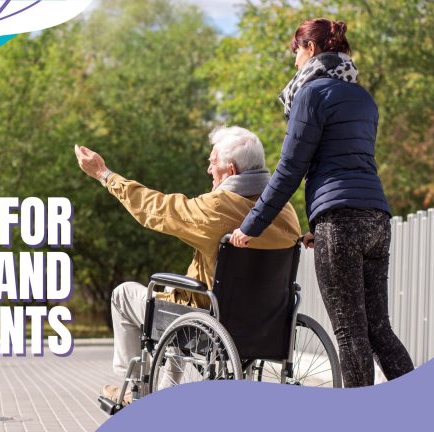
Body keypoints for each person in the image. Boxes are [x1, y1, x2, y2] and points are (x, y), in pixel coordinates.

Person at [229, 18, 415, 387]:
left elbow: (289, 170)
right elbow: (348, 163)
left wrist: (249, 226)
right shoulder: (363, 97)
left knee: (349, 332)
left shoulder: (311, 94)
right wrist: (319, 226)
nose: (294, 61)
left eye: (296, 51)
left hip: (341, 223)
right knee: (379, 330)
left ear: (310, 49)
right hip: (377, 218)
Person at [74, 126, 301, 404]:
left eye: (212, 161)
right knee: (183, 308)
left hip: (212, 323)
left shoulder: (215, 208)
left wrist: (104, 175)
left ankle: (132, 390)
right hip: (268, 324)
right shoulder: (286, 211)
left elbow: (155, 208)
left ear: (230, 170)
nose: (208, 169)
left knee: (125, 295)